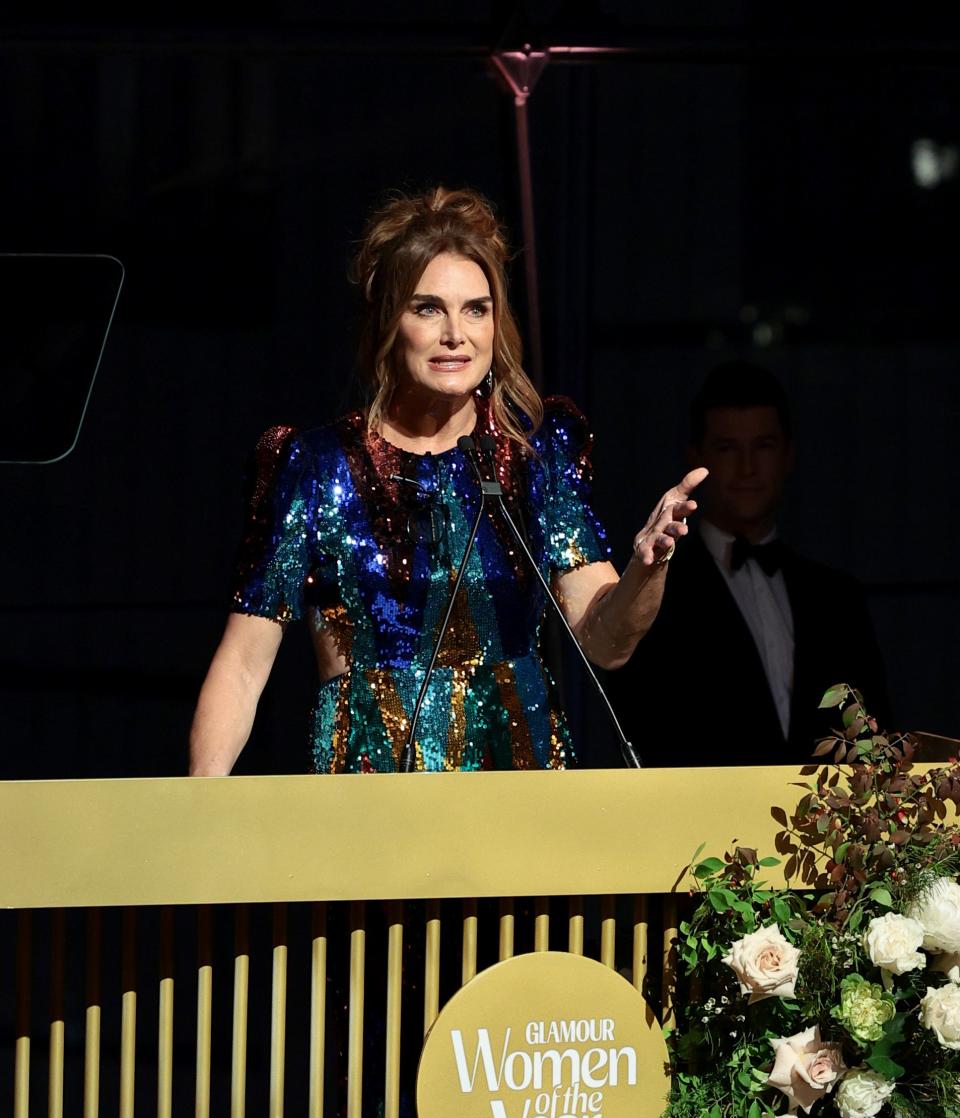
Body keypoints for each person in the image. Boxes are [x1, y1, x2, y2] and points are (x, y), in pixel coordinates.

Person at [189, 187, 705, 775]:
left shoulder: (532, 455)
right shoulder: (318, 464)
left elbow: (607, 644)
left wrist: (648, 564)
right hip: (372, 804)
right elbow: (244, 664)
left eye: (476, 309)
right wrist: (199, 813)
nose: (455, 333)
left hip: (519, 804)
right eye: (428, 307)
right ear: (390, 320)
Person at [605, 361, 888, 767]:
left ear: (788, 454)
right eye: (727, 448)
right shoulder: (652, 590)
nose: (747, 467)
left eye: (763, 446)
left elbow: (877, 740)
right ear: (696, 457)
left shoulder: (837, 597)